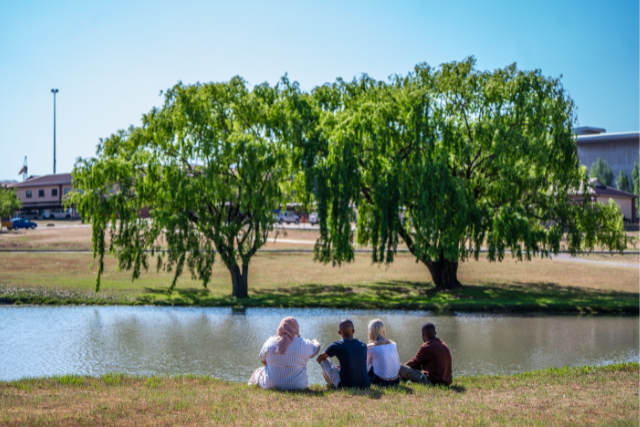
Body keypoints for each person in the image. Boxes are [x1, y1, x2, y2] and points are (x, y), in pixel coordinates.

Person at [248, 316, 320, 390]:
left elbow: (262, 360)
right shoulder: (304, 344)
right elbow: (316, 349)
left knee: (258, 371)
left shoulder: (270, 342)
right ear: (296, 328)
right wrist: (315, 342)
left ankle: (250, 386)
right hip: (298, 386)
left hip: (270, 385)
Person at [316, 319, 370, 388]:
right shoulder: (363, 345)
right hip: (365, 385)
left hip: (346, 386)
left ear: (339, 333)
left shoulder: (337, 345)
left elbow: (319, 358)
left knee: (323, 361)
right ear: (353, 331)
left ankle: (330, 384)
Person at [366, 319, 401, 387]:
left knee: (365, 375)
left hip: (382, 382)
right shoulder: (393, 344)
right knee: (373, 368)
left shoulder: (371, 347)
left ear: (371, 332)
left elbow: (366, 368)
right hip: (396, 380)